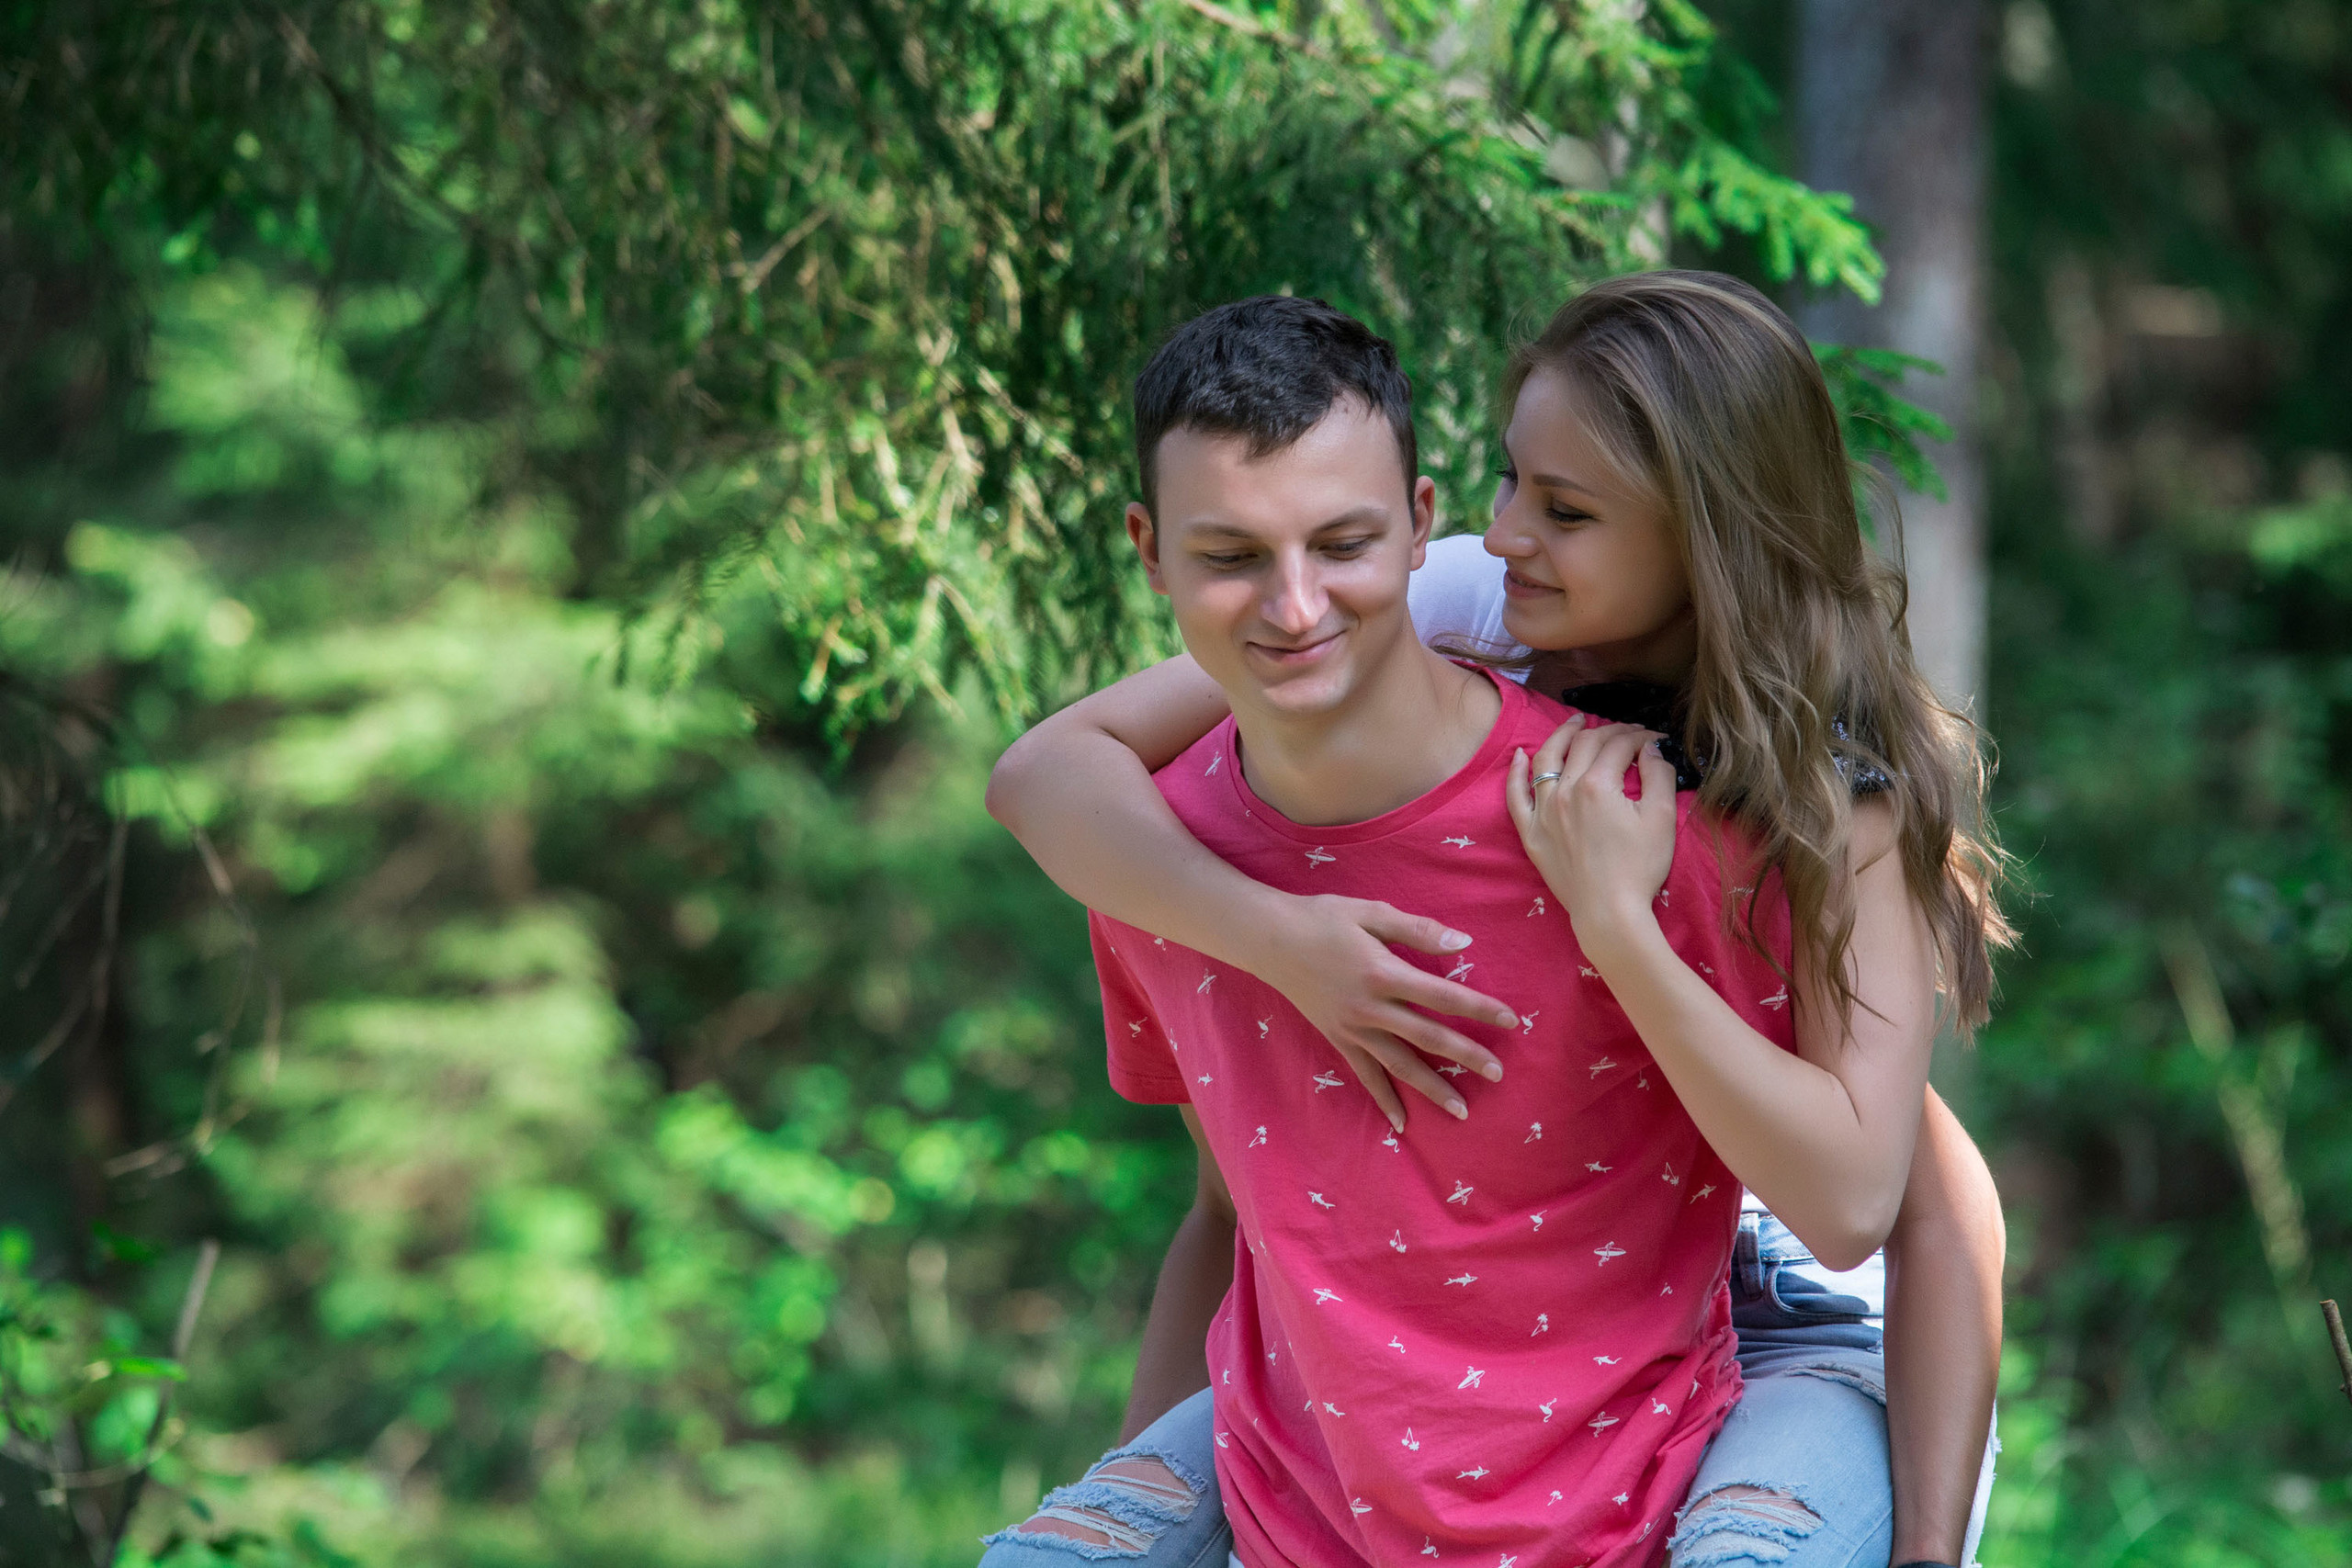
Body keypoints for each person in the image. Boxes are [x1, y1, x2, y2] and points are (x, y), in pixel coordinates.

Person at [981, 281, 2008, 1568]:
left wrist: (1922, 1551)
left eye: (1564, 509)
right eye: (1511, 480)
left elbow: (1911, 1196)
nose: (1507, 529)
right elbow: (1047, 776)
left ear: (1704, 535)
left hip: (1782, 1290)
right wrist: (1287, 940)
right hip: (1514, 1314)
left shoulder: (1813, 803)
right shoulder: (1456, 595)